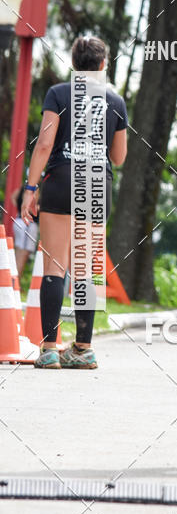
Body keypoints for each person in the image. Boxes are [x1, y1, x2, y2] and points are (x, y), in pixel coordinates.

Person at [21, 36, 128, 369]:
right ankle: (82, 349)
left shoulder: (58, 94)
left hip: (62, 181)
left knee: (56, 266)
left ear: (74, 63)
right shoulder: (115, 100)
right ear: (102, 65)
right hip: (97, 183)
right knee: (86, 269)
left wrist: (30, 187)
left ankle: (51, 349)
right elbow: (120, 157)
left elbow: (43, 145)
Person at [10, 183, 39, 277]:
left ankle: (14, 281)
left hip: (19, 220)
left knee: (19, 252)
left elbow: (13, 197)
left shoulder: (24, 187)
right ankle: (14, 282)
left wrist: (19, 209)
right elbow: (32, 208)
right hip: (27, 224)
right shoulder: (35, 189)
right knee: (22, 254)